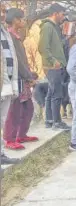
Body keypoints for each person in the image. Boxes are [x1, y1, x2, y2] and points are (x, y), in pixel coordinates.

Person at [3, 8, 38, 150]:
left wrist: (30, 74)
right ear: (16, 20)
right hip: (16, 79)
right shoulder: (10, 37)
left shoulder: (16, 36)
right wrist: (28, 75)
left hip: (23, 78)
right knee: (14, 110)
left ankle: (21, 135)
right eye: (21, 19)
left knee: (28, 108)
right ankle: (9, 139)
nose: (23, 21)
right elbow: (17, 61)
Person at [38, 3, 70, 130]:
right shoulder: (47, 26)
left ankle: (49, 121)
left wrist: (67, 38)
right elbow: (42, 47)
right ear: (55, 13)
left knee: (51, 93)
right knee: (57, 94)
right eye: (62, 14)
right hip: (52, 67)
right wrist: (53, 61)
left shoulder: (55, 27)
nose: (63, 17)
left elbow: (56, 46)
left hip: (56, 65)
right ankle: (57, 122)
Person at [0, 5, 20, 163]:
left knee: (1, 120)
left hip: (6, 84)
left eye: (3, 12)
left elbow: (11, 58)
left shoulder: (5, 32)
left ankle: (0, 154)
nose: (2, 14)